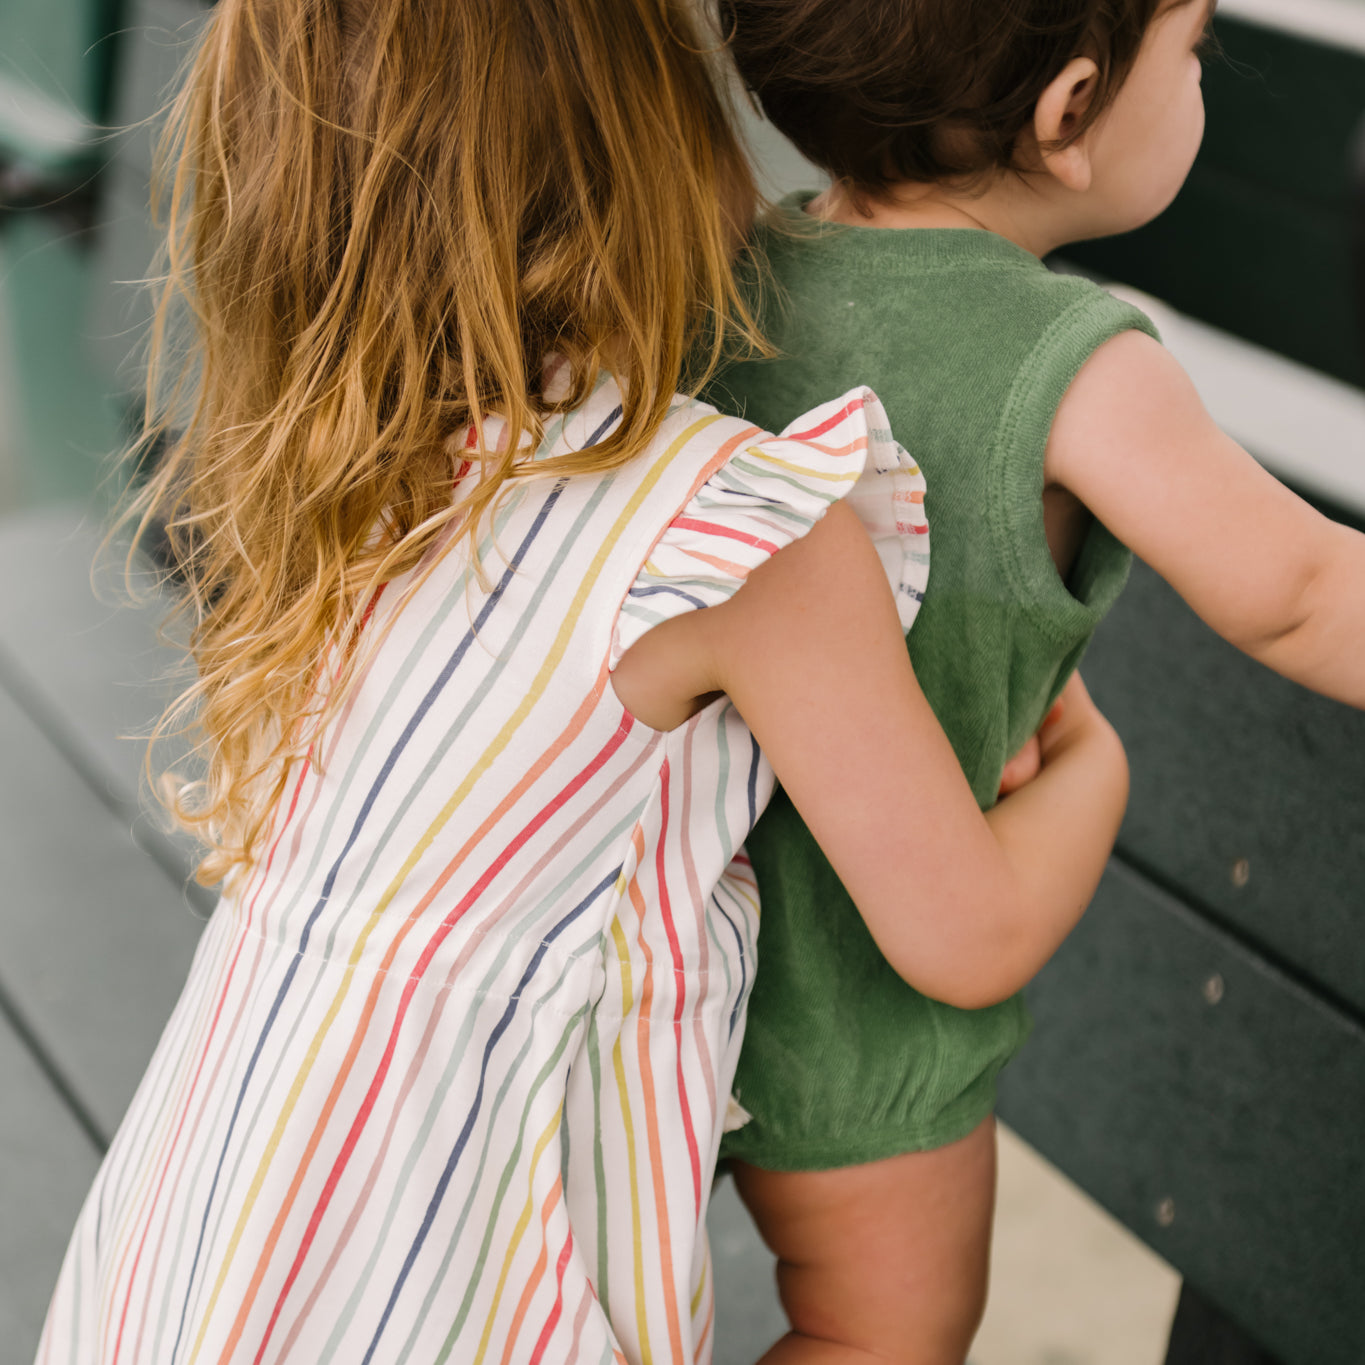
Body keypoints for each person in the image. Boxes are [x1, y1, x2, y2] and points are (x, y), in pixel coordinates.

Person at [35, 1, 1131, 1363]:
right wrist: (1096, 767)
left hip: (217, 1224)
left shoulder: (360, 480)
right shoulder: (733, 533)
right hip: (444, 1264)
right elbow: (961, 932)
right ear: (661, 154)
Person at [707, 0, 1365, 1360]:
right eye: (1193, 53)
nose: (1202, 82)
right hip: (858, 1028)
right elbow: (1299, 591)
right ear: (1067, 114)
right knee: (881, 1330)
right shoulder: (1072, 363)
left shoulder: (733, 270)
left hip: (670, 961)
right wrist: (1100, 771)